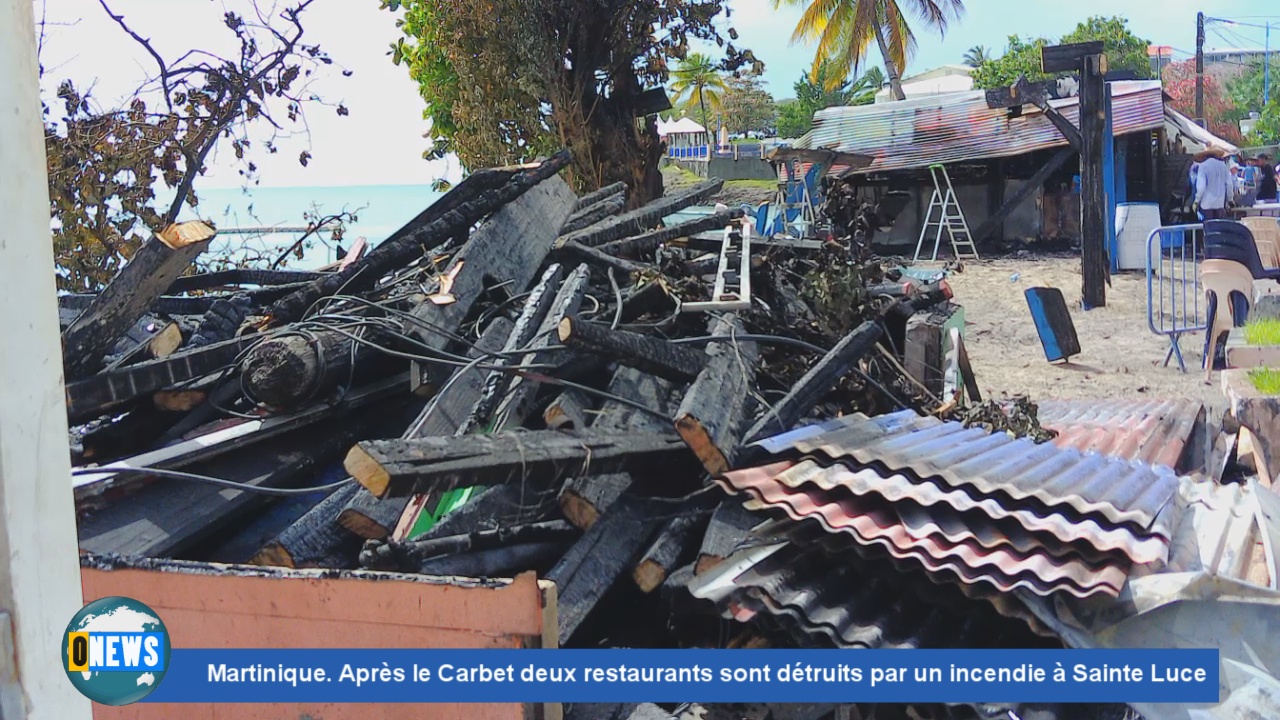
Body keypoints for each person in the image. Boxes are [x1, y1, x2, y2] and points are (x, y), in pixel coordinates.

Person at [1195, 148, 1234, 220]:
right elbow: (1229, 185)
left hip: (1206, 205)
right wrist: (1230, 199)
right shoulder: (1223, 166)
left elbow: (1201, 187)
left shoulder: (1203, 166)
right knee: (1219, 229)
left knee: (1208, 229)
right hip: (1220, 204)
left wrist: (1196, 201)